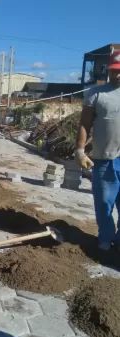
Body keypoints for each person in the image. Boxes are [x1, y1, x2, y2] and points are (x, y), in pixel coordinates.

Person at [75, 50, 120, 251]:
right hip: (104, 159)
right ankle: (106, 237)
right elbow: (84, 124)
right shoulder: (96, 94)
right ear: (108, 70)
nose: (117, 75)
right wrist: (80, 150)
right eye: (113, 70)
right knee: (104, 203)